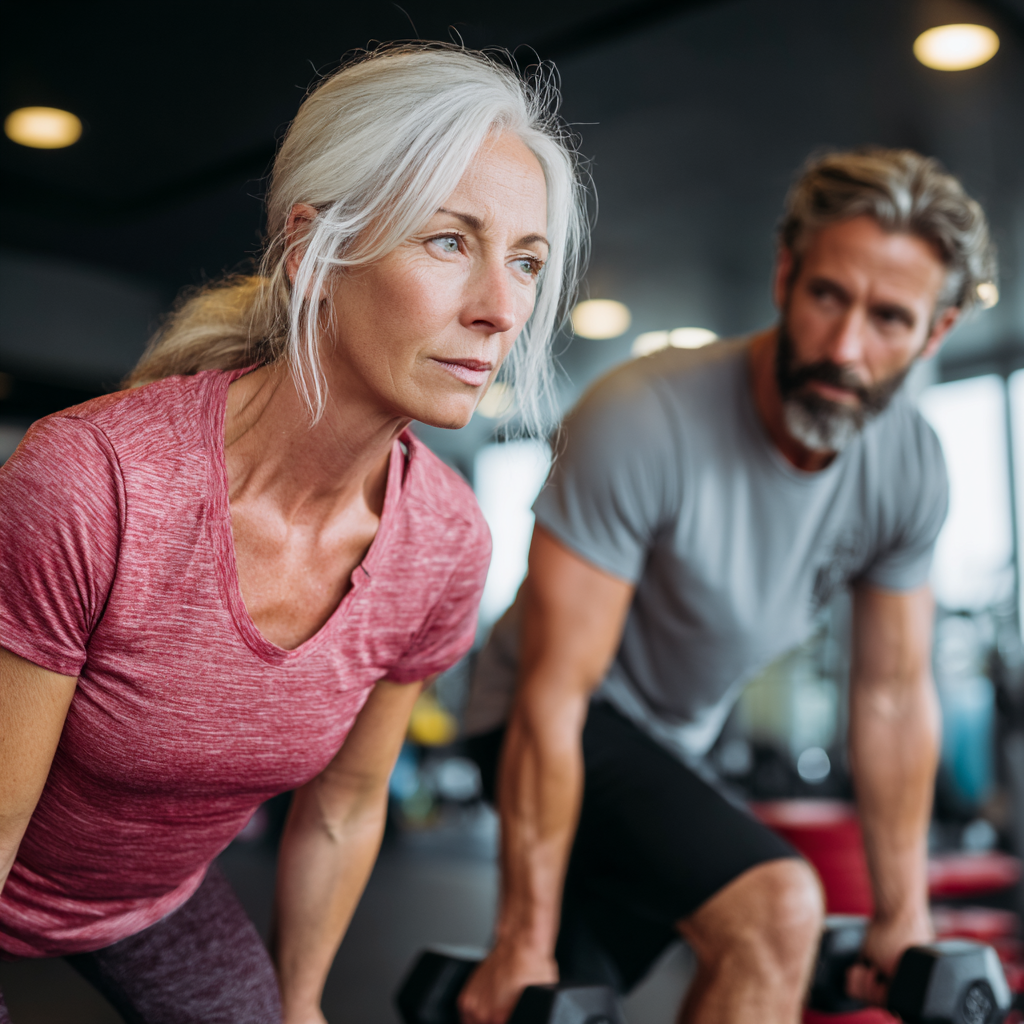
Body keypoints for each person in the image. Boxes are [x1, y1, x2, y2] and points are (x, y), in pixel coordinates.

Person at [0, 43, 587, 1024]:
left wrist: (301, 1006)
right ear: (315, 250)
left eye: (525, 261)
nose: (500, 309)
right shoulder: (97, 479)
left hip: (148, 902)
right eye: (449, 241)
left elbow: (348, 807)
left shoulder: (442, 542)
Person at [458, 148, 997, 1024]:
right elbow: (555, 696)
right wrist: (522, 930)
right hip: (537, 718)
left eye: (891, 318)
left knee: (552, 1000)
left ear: (935, 334)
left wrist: (904, 915)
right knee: (776, 910)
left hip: (674, 747)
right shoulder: (643, 418)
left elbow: (894, 695)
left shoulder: (910, 468)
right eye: (829, 295)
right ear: (786, 274)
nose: (847, 346)